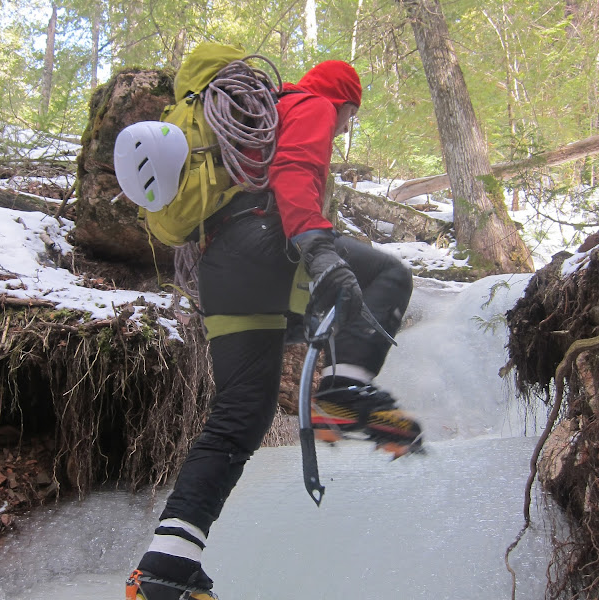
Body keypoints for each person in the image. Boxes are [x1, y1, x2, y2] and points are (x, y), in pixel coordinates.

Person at [126, 60, 422, 600]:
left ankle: (166, 567)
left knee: (240, 415)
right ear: (343, 101)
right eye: (350, 116)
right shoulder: (310, 104)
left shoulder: (261, 123)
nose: (345, 126)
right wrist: (318, 247)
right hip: (266, 238)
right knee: (389, 276)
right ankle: (344, 394)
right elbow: (295, 169)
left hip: (222, 267)